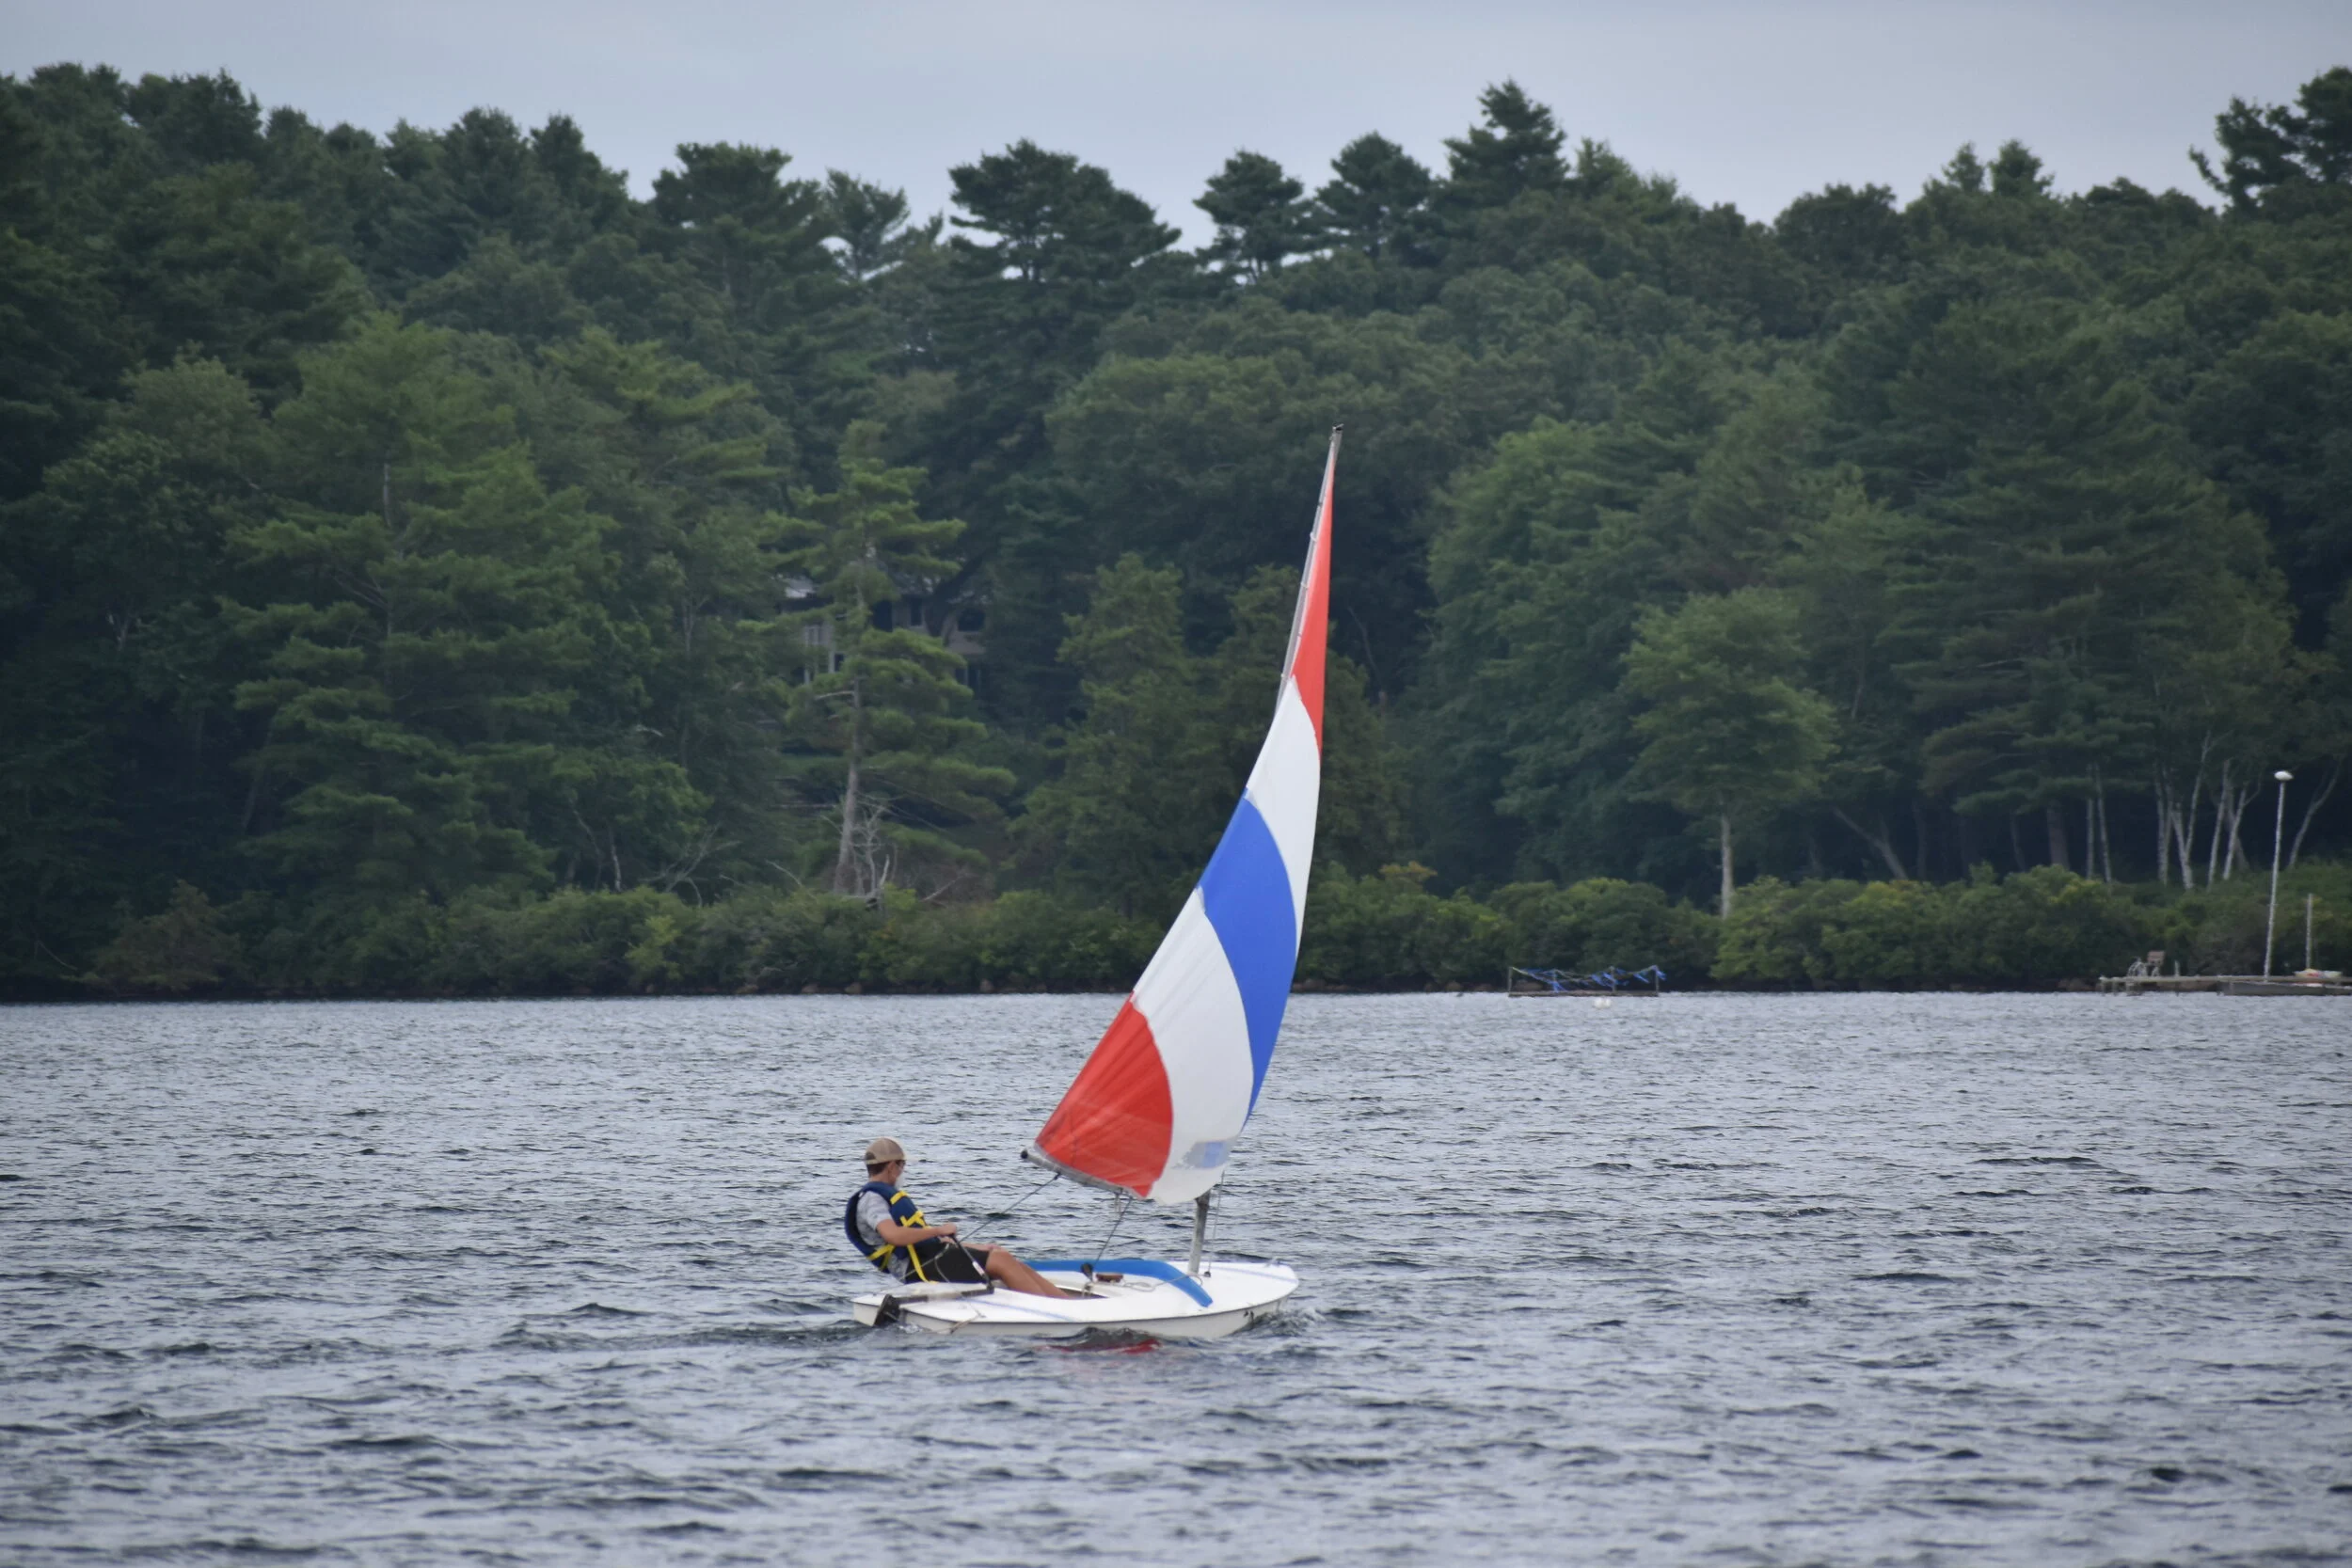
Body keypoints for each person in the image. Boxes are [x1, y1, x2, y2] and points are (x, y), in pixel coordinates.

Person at [844, 1138, 1073, 1298]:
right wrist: (937, 1230)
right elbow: (893, 1236)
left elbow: (927, 1242)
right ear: (892, 1167)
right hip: (916, 1269)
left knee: (1000, 1254)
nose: (903, 1171)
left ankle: (1064, 1301)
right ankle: (1055, 1309)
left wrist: (975, 1246)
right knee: (1001, 1262)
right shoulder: (872, 1199)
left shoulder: (884, 1194)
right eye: (903, 1166)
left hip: (928, 1257)